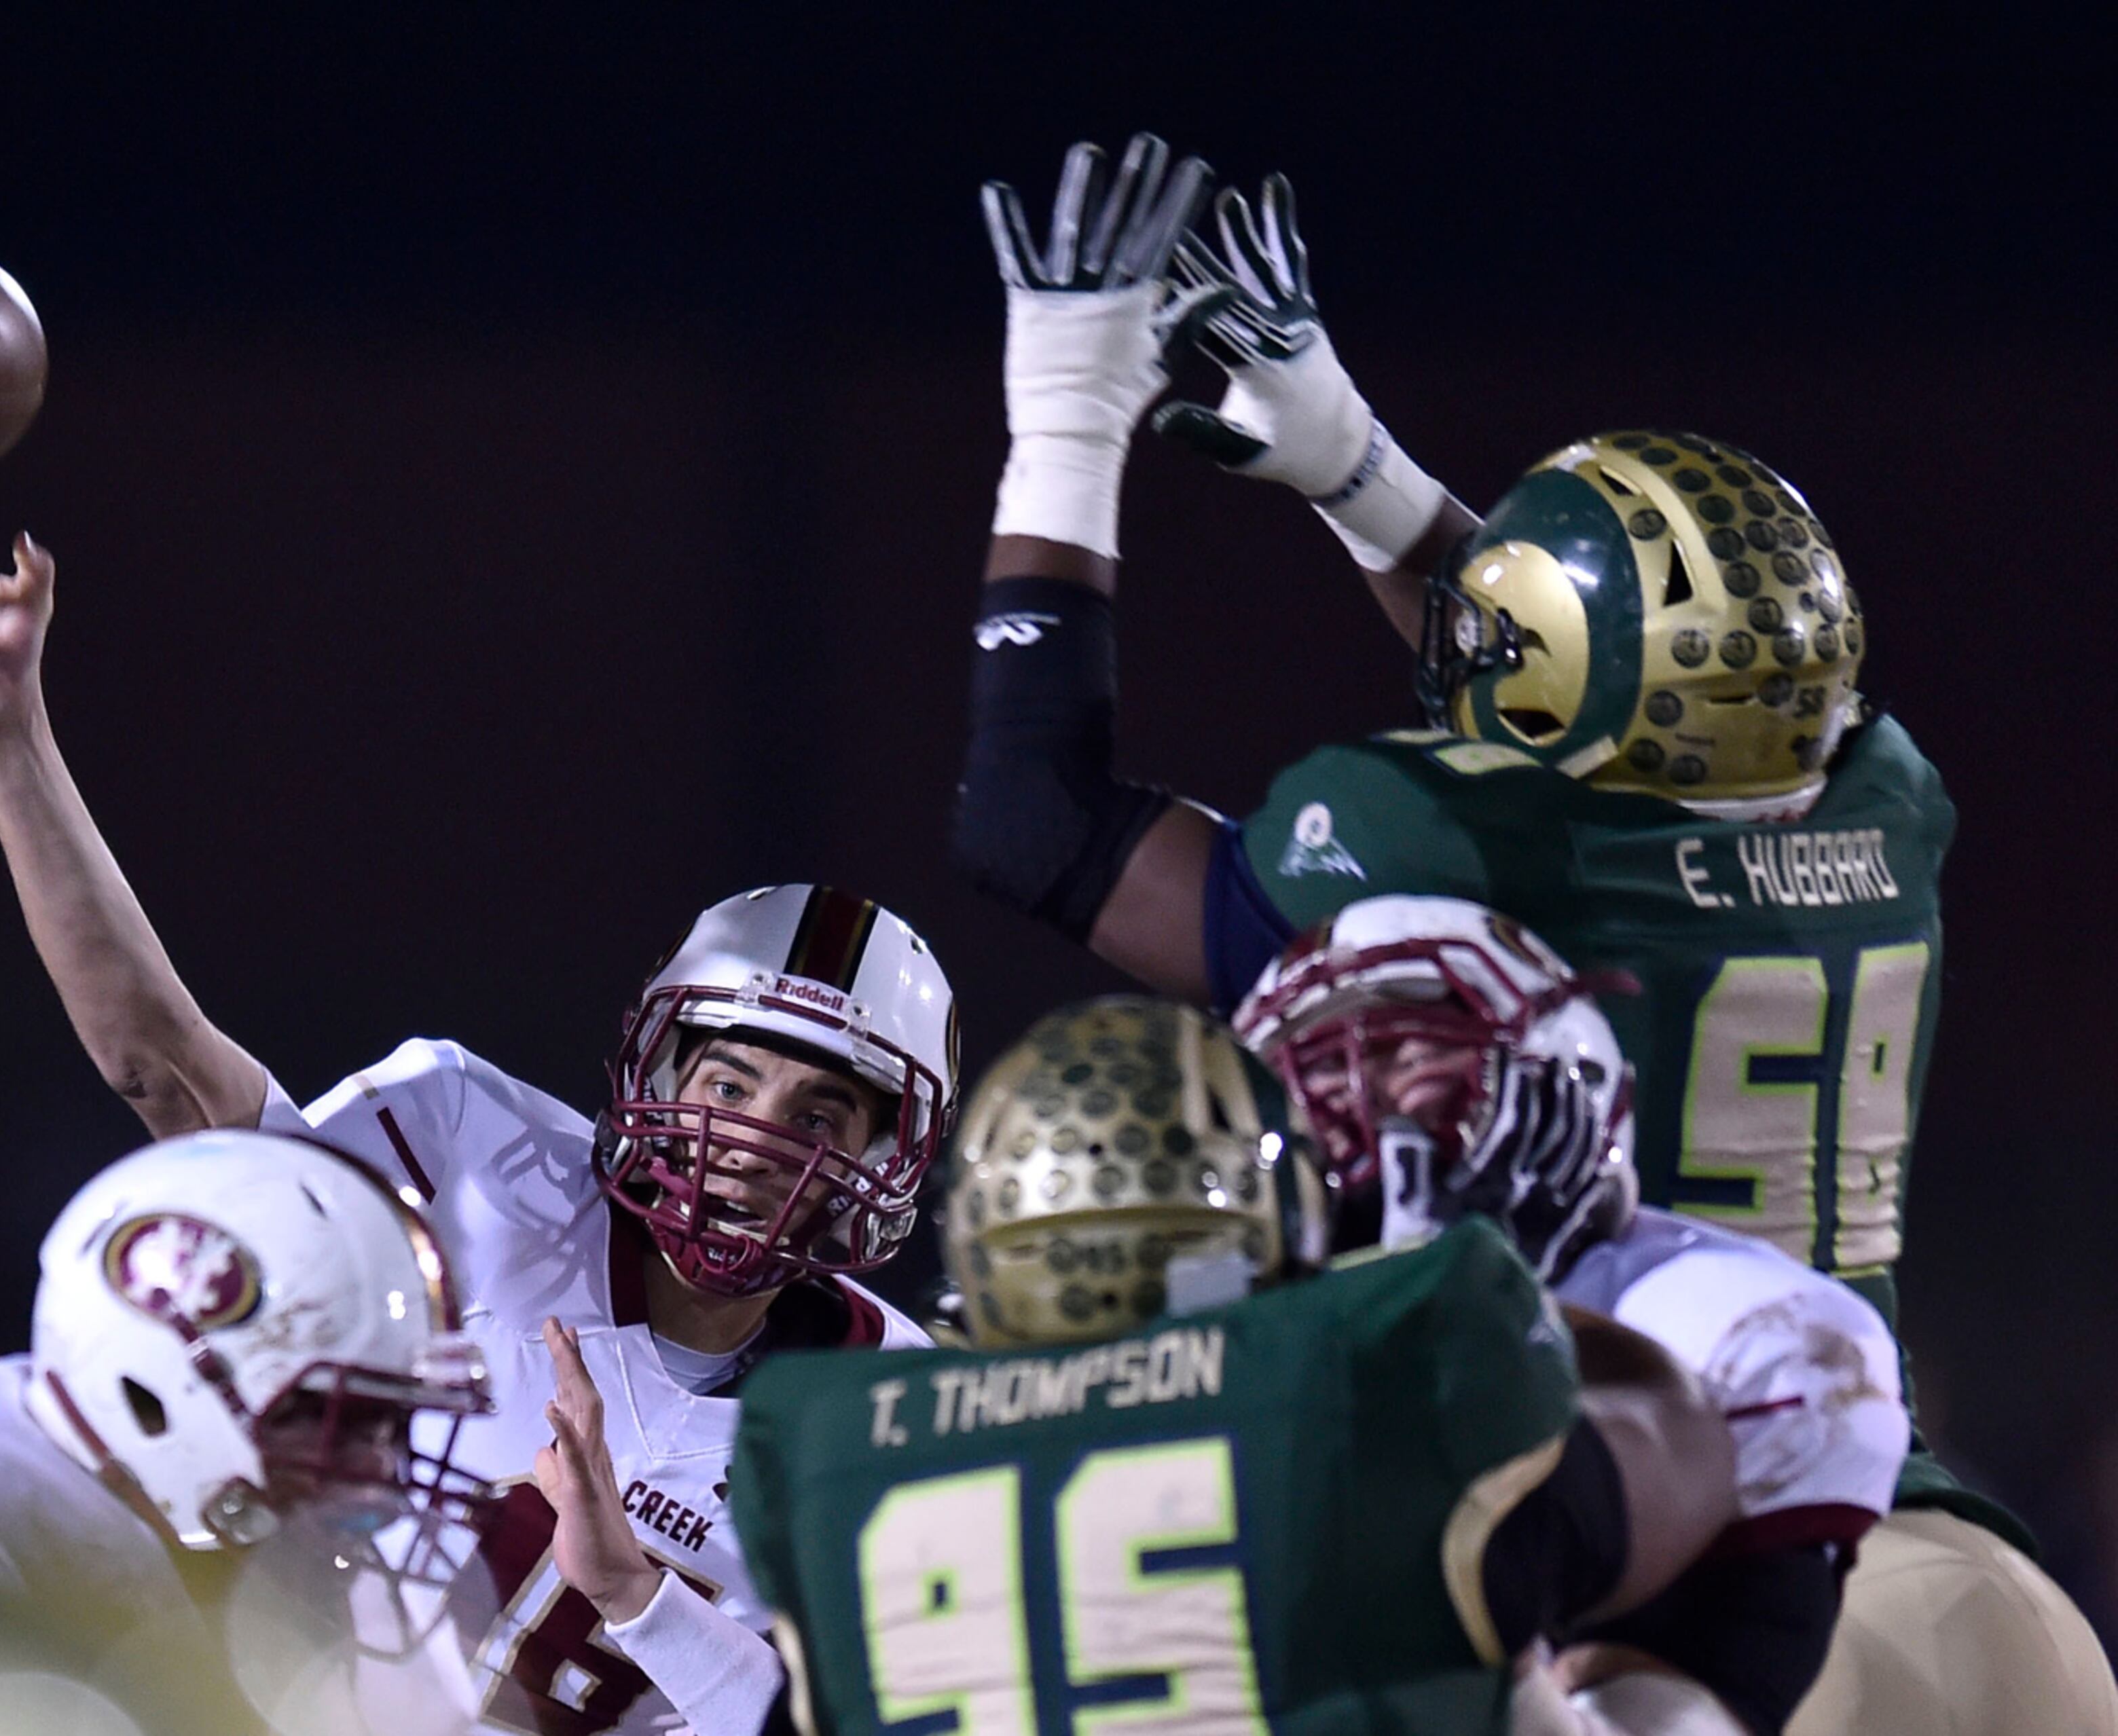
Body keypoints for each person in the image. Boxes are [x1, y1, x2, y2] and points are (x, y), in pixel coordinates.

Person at [948, 138, 2019, 1557]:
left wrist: (1070, 425)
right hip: (1865, 1451)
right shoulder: (1887, 797)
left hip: (1614, 1488)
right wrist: (1357, 472)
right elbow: (1575, 682)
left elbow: (1031, 825)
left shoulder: (1453, 850)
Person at [0, 476, 954, 1736]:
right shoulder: (461, 1147)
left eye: (823, 1112)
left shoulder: (904, 1419)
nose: (762, 1138)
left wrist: (650, 1601)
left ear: (890, 1155)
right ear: (657, 1076)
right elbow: (162, 1069)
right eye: (729, 1080)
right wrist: (6, 738)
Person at [729, 995, 1745, 1735]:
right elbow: (1689, 1458)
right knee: (1636, 1694)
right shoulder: (1364, 1388)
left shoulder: (838, 1446)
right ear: (1276, 1210)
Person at [1232, 893, 2117, 1735]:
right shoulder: (1238, 1343)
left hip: (1885, 1648)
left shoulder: (1728, 1322)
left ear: (1557, 1069)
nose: (1343, 1109)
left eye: (1399, 1055)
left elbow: (1696, 1691)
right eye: (1303, 1081)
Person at [0, 1129, 491, 1736]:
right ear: (156, 1391)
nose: (373, 1466)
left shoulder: (284, 1534)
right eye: (327, 1420)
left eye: (387, 1421)